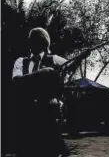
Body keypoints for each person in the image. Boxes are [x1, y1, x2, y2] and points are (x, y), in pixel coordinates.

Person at [12, 27, 68, 157]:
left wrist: (82, 57)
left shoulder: (55, 59)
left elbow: (71, 64)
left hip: (48, 117)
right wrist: (40, 74)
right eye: (32, 41)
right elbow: (16, 81)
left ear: (44, 44)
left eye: (38, 41)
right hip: (25, 118)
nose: (34, 44)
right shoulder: (21, 61)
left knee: (49, 152)